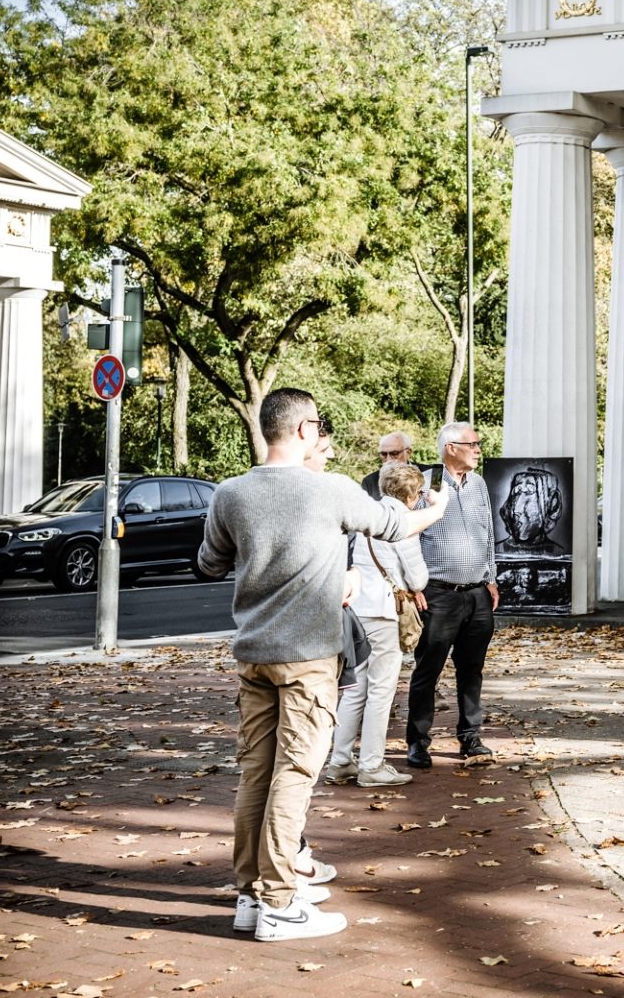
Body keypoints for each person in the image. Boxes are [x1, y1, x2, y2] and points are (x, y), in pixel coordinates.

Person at [200, 389, 451, 942]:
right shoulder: (331, 490)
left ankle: (249, 895)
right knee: (295, 774)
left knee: (255, 775)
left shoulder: (229, 494)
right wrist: (434, 509)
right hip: (308, 659)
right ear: (304, 429)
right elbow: (393, 525)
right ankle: (280, 902)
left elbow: (209, 562)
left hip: (253, 655)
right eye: (317, 425)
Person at [325, 462, 431, 788]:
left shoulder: (366, 517)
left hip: (358, 610)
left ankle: (340, 760)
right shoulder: (402, 523)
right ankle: (372, 764)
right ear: (412, 494)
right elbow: (418, 577)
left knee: (355, 689)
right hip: (385, 612)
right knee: (381, 691)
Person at [405, 421, 498, 769]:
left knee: (472, 669)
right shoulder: (426, 482)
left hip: (477, 594)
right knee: (427, 669)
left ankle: (471, 737)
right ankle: (418, 741)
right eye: (471, 443)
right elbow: (408, 534)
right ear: (450, 448)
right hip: (437, 594)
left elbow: (488, 532)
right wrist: (415, 584)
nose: (477, 448)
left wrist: (491, 577)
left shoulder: (479, 484)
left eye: (477, 443)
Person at [360, 431, 416, 501]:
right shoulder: (369, 482)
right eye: (383, 454)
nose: (388, 459)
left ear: (408, 452)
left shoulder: (429, 473)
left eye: (394, 453)